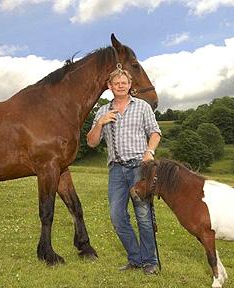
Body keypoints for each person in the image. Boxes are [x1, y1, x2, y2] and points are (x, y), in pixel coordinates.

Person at [87, 68, 161, 275]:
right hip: (116, 171)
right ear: (109, 87)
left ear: (130, 85)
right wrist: (100, 124)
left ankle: (150, 261)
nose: (120, 85)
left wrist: (150, 151)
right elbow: (92, 143)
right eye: (116, 83)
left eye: (124, 82)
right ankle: (135, 259)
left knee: (144, 215)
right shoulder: (102, 111)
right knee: (117, 216)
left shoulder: (142, 107)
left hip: (139, 166)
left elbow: (155, 133)